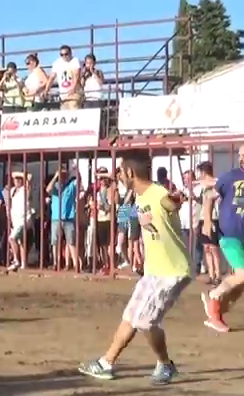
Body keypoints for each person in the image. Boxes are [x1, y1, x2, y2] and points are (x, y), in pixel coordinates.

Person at [78, 153, 190, 385]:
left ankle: (166, 365)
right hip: (154, 270)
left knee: (145, 321)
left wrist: (177, 200)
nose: (117, 175)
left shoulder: (157, 193)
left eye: (120, 171)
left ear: (130, 173)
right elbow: (127, 215)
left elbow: (171, 202)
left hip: (171, 271)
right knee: (130, 316)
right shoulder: (138, 198)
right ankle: (106, 363)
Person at [200, 142, 244, 333]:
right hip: (230, 236)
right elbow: (209, 196)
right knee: (243, 274)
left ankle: (218, 309)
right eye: (239, 154)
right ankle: (214, 297)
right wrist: (208, 221)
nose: (240, 158)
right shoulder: (231, 177)